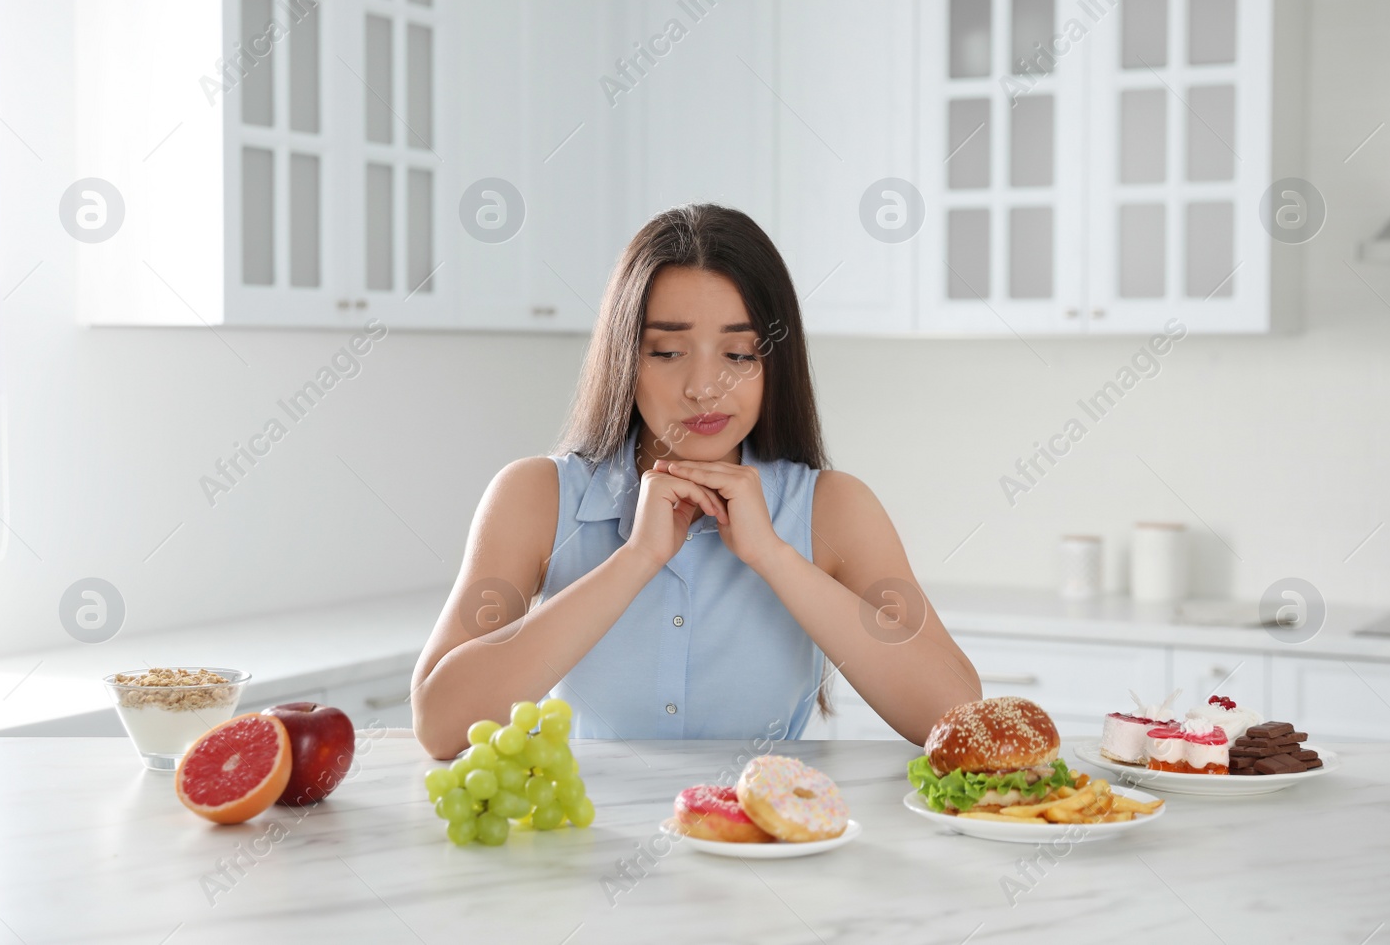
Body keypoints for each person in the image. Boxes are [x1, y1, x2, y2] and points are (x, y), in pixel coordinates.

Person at [411, 204, 980, 758]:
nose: (704, 387)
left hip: (765, 839)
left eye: (738, 352)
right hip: (586, 840)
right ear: (625, 359)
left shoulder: (834, 509)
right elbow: (440, 726)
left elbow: (956, 715)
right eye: (668, 351)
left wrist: (774, 557)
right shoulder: (535, 497)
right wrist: (636, 559)